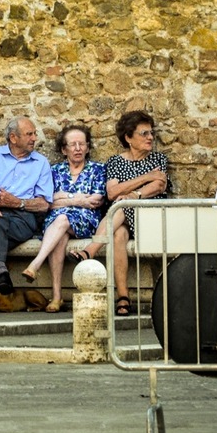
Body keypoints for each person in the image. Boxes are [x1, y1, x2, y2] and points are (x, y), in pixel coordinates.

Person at [68, 110, 170, 316]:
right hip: (123, 218)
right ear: (128, 138)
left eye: (151, 133)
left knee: (121, 206)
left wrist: (133, 195)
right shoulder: (116, 162)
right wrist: (145, 177)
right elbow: (112, 192)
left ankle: (90, 251)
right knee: (118, 234)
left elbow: (159, 185)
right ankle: (123, 296)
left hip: (149, 216)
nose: (150, 137)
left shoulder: (158, 158)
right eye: (144, 133)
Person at [0, 117, 54, 307]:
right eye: (29, 134)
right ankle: (2, 273)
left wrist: (18, 203)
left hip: (24, 217)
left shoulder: (41, 163)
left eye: (34, 133)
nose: (34, 138)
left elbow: (44, 204)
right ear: (13, 138)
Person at [21, 125, 106, 313]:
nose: (77, 148)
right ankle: (57, 297)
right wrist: (78, 199)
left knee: (61, 219)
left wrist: (63, 197)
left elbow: (96, 200)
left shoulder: (98, 169)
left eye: (81, 144)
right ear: (63, 149)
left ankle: (36, 264)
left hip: (87, 220)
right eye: (72, 144)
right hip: (59, 221)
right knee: (60, 231)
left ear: (88, 148)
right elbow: (48, 201)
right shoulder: (54, 170)